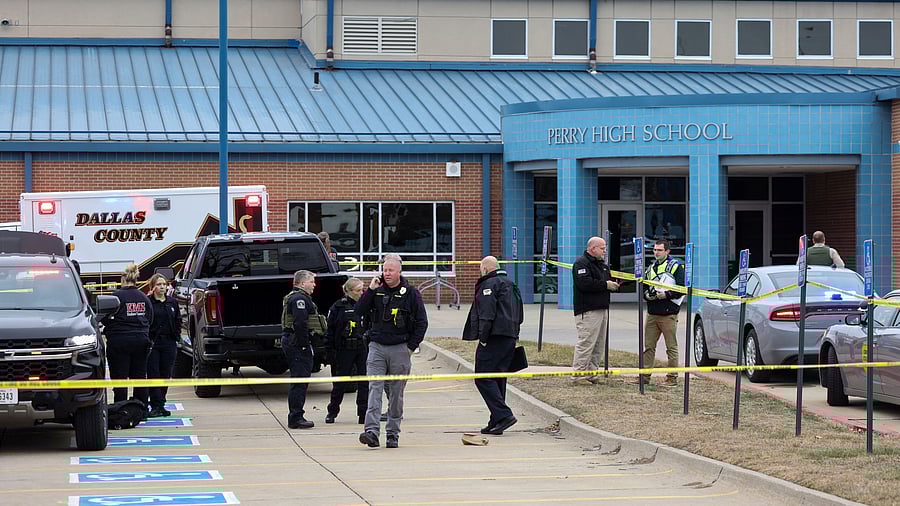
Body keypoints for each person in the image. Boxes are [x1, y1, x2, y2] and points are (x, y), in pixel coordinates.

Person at [356, 254, 428, 449]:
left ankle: (392, 433)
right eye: (385, 270)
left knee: (396, 394)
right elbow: (359, 311)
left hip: (400, 348)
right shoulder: (375, 290)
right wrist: (370, 291)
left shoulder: (411, 293)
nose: (387, 274)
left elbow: (422, 323)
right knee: (374, 389)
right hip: (376, 347)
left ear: (399, 271)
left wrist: (410, 348)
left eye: (390, 270)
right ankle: (371, 431)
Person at [463, 256, 523, 435]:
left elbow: (487, 313)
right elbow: (520, 312)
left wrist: (483, 336)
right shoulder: (511, 284)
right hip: (510, 336)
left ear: (485, 268)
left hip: (494, 337)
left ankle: (504, 415)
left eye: (480, 268)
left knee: (482, 377)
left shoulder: (489, 284)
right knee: (498, 377)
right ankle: (496, 419)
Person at [102, 264, 153, 409]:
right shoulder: (144, 297)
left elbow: (105, 318)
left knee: (120, 378)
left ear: (122, 279)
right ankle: (141, 408)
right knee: (140, 377)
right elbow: (150, 318)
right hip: (141, 340)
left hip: (119, 341)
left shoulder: (116, 297)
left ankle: (121, 408)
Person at [281, 270, 326, 429]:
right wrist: (305, 344)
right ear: (301, 283)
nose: (314, 284)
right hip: (297, 345)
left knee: (301, 380)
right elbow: (300, 324)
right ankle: (296, 417)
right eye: (312, 281)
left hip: (296, 343)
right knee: (299, 381)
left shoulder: (298, 297)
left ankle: (297, 415)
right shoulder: (299, 299)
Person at [638, 239, 685, 386]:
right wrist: (647, 295)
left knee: (671, 347)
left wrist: (666, 295)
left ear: (667, 251)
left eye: (659, 250)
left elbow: (682, 288)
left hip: (668, 314)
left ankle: (672, 378)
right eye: (654, 250)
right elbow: (644, 286)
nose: (656, 253)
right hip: (652, 313)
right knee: (648, 347)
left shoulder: (676, 267)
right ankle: (644, 378)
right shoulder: (651, 267)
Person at [571, 237, 618, 384]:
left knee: (599, 343)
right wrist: (605, 285)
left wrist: (613, 285)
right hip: (588, 310)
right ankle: (578, 375)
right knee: (586, 342)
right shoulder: (581, 263)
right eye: (602, 248)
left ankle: (591, 373)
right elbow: (584, 283)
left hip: (602, 307)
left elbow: (606, 280)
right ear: (592, 249)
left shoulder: (602, 265)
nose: (605, 251)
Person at [325, 277, 369, 425]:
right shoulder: (338, 307)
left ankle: (363, 413)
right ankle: (332, 412)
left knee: (364, 382)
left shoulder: (365, 306)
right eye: (358, 290)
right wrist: (330, 350)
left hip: (362, 348)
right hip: (344, 349)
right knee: (340, 382)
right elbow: (330, 330)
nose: (361, 293)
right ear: (349, 291)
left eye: (362, 290)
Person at [146, 273, 182, 418]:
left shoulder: (172, 302)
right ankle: (155, 404)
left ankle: (161, 402)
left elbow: (178, 320)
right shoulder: (148, 302)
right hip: (154, 343)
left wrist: (177, 335)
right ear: (153, 287)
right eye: (159, 285)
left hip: (169, 342)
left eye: (164, 284)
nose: (162, 287)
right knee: (154, 373)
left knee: (165, 373)